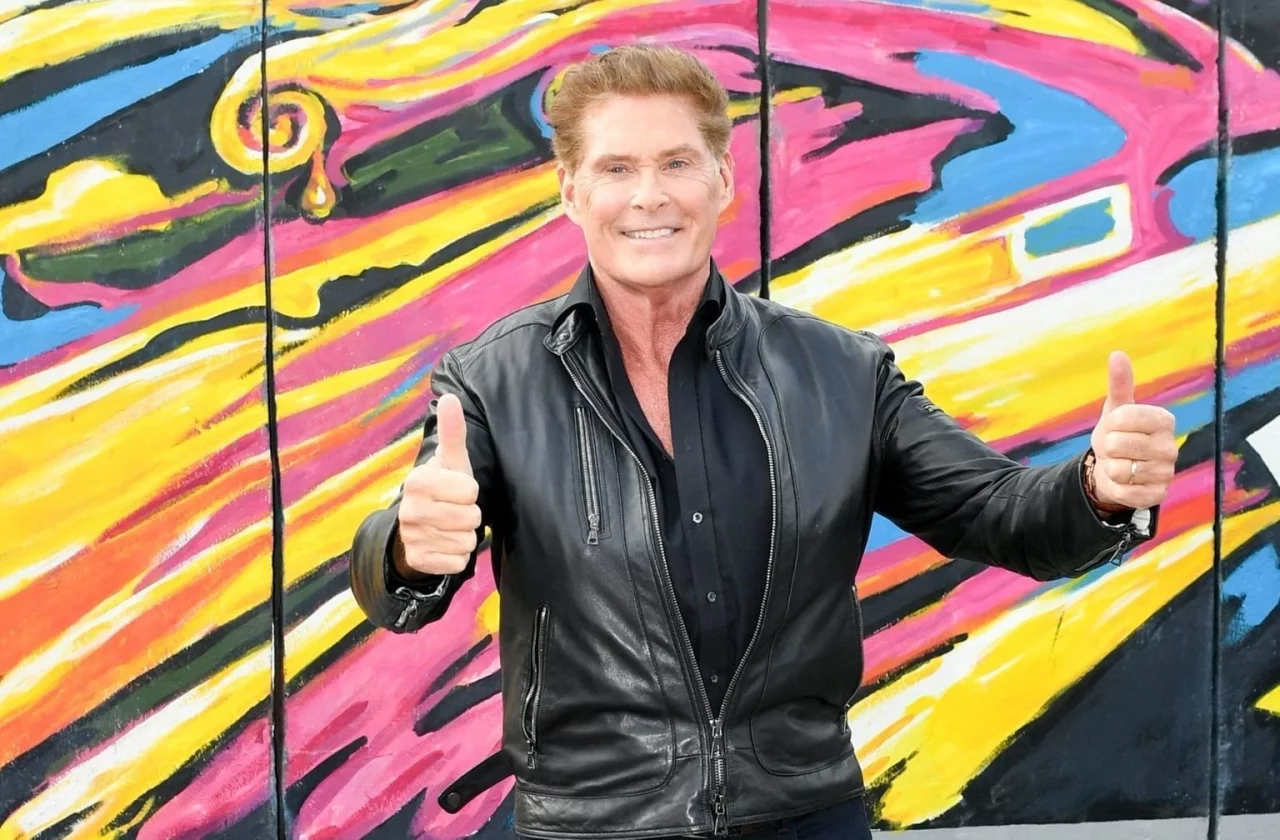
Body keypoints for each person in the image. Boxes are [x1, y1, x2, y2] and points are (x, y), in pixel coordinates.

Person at [349, 44, 1176, 840]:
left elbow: (999, 514)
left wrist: (1099, 489)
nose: (649, 196)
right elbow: (399, 583)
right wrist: (410, 551)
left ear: (723, 179)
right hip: (592, 824)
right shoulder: (490, 381)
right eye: (616, 168)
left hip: (806, 815)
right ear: (571, 191)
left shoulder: (840, 372)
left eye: (677, 163)